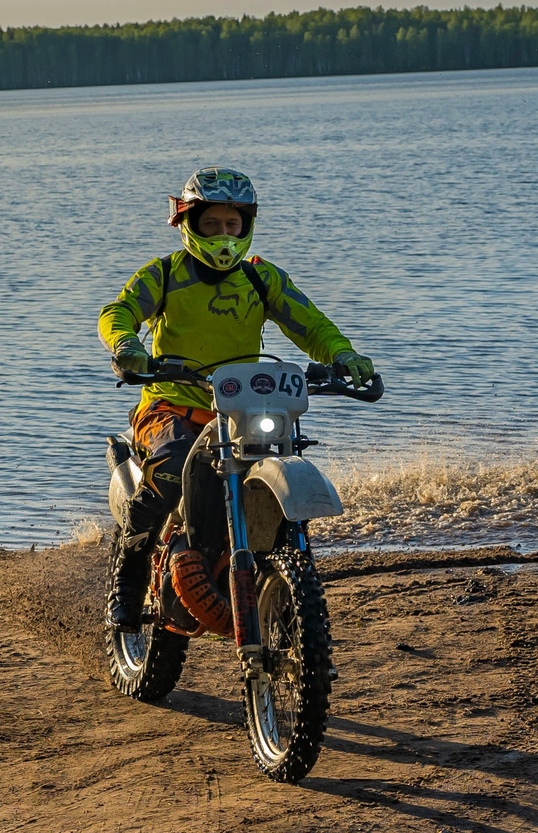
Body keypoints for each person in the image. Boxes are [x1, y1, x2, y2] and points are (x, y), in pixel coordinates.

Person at [97, 167, 375, 628]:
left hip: (242, 411)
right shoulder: (164, 275)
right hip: (170, 406)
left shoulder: (262, 279)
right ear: (189, 224)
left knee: (287, 451)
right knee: (170, 469)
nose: (223, 235)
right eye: (212, 224)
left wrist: (344, 355)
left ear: (246, 226)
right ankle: (125, 585)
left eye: (232, 224)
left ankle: (281, 574)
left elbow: (312, 326)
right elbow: (119, 311)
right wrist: (127, 346)